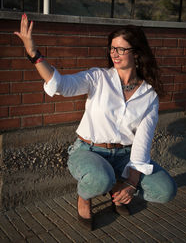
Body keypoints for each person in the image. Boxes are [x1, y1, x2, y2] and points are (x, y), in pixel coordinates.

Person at [15, 14, 177, 231]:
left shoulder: (149, 95)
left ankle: (116, 186)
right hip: (89, 150)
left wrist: (131, 183)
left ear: (137, 53)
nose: (114, 53)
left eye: (121, 49)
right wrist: (34, 54)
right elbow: (61, 84)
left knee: (166, 190)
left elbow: (142, 141)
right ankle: (85, 197)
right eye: (112, 48)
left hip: (125, 156)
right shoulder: (98, 78)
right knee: (100, 178)